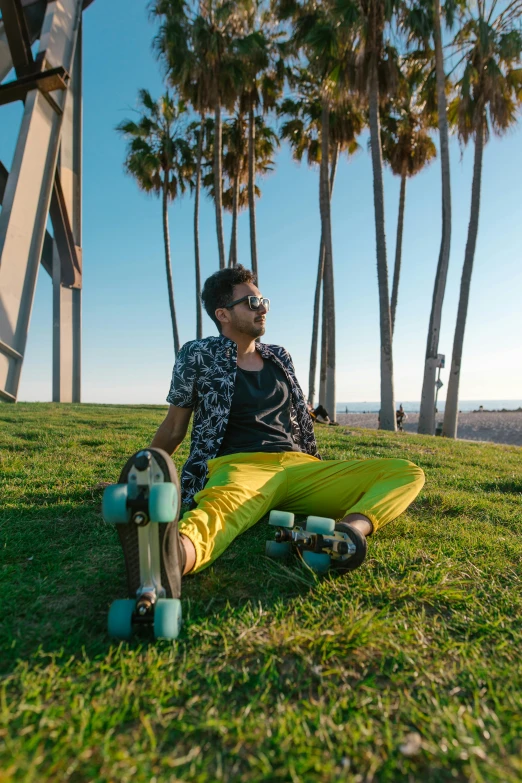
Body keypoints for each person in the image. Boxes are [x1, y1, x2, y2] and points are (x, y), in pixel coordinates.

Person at [125, 266, 425, 585]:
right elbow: (174, 427)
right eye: (252, 303)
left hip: (300, 468)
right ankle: (169, 560)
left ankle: (346, 533)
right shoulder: (198, 354)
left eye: (263, 300)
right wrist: (138, 480)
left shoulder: (279, 356)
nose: (263, 308)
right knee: (218, 514)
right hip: (241, 466)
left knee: (405, 472)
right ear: (223, 314)